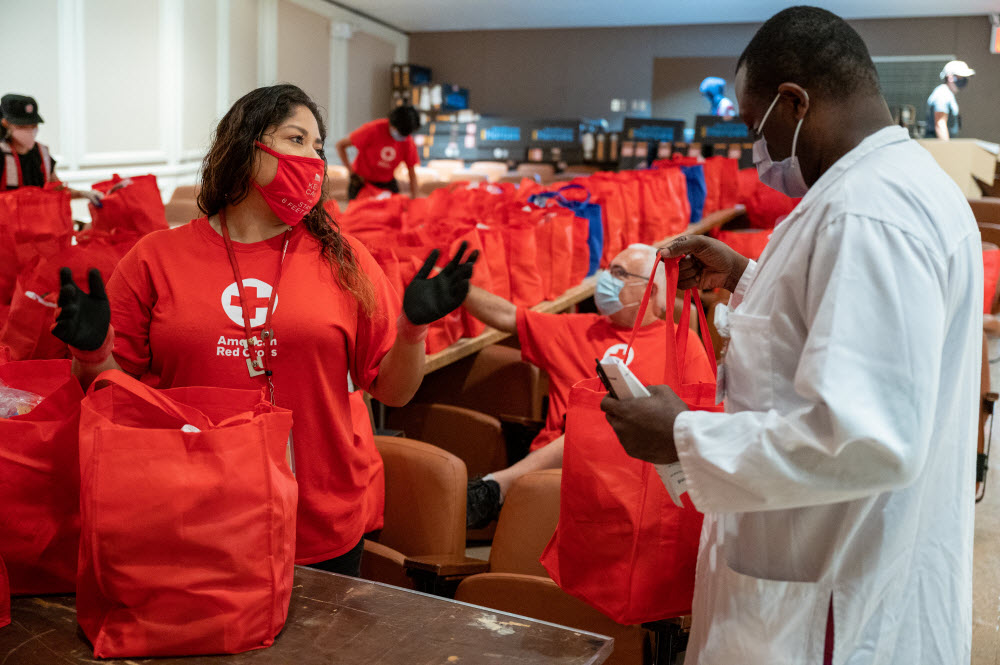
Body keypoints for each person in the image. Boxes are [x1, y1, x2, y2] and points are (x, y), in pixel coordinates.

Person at [601, 8, 979, 665]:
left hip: (824, 611)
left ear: (794, 101)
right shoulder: (890, 190)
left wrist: (682, 433)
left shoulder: (866, 211)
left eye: (756, 127)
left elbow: (865, 435)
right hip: (831, 573)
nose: (757, 150)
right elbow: (845, 333)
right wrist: (747, 277)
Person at [50, 84, 477, 577]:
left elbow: (394, 394)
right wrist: (92, 352)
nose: (314, 159)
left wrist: (412, 330)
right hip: (193, 509)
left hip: (318, 516)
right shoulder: (155, 257)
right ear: (247, 145)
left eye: (318, 146)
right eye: (297, 138)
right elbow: (116, 400)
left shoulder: (347, 260)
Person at [463, 244, 714, 528]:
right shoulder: (579, 328)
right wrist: (462, 290)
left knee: (613, 416)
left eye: (619, 273)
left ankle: (496, 488)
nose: (605, 278)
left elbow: (698, 416)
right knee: (599, 415)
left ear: (651, 291)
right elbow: (509, 317)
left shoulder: (683, 345)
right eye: (607, 269)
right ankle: (497, 489)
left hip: (630, 472)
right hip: (557, 467)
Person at [0, 93, 102, 204]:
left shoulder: (42, 153)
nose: (29, 131)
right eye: (22, 126)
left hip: (41, 218)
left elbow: (57, 189)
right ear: (5, 123)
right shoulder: (2, 155)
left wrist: (83, 193)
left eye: (33, 126)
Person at [336, 104, 420, 200]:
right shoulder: (372, 129)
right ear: (392, 124)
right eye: (400, 133)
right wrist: (351, 171)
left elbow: (412, 173)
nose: (401, 137)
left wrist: (415, 198)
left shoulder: (407, 140)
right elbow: (340, 145)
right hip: (361, 181)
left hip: (387, 183)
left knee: (395, 210)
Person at [924, 60, 975, 140]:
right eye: (962, 77)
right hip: (937, 148)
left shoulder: (948, 94)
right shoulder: (942, 94)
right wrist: (947, 149)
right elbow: (940, 123)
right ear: (951, 77)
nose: (965, 80)